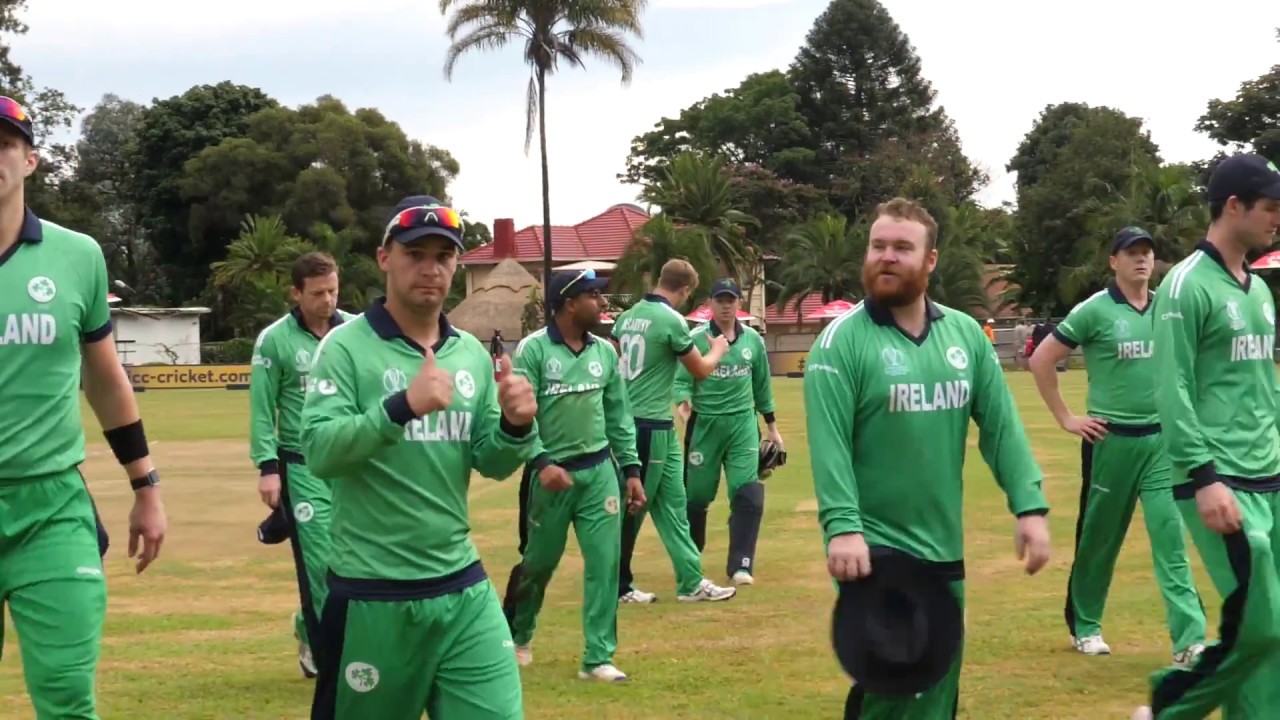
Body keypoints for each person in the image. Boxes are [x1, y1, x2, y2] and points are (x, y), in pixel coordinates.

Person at [805, 197, 1051, 719]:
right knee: (897, 680)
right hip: (874, 548)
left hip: (943, 545)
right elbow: (830, 446)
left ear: (930, 260)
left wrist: (1029, 505)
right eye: (877, 246)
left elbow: (1001, 428)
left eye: (902, 247)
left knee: (938, 677)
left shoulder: (965, 335)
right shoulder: (840, 343)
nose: (886, 256)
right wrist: (843, 527)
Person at [301, 196, 540, 719]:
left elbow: (491, 460)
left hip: (461, 585)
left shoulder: (469, 354)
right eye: (415, 254)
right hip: (373, 593)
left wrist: (515, 425)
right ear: (384, 257)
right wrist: (401, 407)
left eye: (443, 256)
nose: (431, 269)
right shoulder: (345, 348)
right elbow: (319, 451)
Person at [0, 95, 168, 719]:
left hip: (51, 509)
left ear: (30, 160)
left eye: (4, 145)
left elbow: (103, 378)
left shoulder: (77, 256)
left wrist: (145, 486)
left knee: (68, 697)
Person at [1132, 154, 1280, 720]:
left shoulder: (1259, 290)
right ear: (1234, 206)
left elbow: (1260, 385)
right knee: (1260, 626)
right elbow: (1171, 390)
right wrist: (1204, 477)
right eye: (1271, 208)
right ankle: (1166, 709)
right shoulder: (1185, 285)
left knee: (1271, 632)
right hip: (1219, 480)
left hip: (1268, 474)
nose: (1278, 220)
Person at [1030, 227, 1207, 665]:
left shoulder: (1168, 307)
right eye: (1131, 253)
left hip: (1161, 442)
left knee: (1171, 540)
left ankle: (1189, 640)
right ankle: (1086, 626)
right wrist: (1067, 418)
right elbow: (1041, 358)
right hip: (1110, 442)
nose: (1141, 260)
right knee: (1099, 540)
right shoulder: (1095, 310)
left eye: (1147, 253)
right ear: (1114, 262)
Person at [504, 269, 647, 681]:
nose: (602, 303)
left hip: (599, 472)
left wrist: (631, 470)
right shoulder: (533, 350)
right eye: (593, 296)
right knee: (538, 564)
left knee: (604, 563)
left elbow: (619, 415)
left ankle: (598, 657)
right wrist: (541, 462)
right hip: (550, 476)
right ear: (569, 304)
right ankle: (519, 634)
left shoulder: (605, 353)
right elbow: (520, 417)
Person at [249, 251, 357, 678]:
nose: (328, 300)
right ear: (296, 293)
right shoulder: (274, 340)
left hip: (350, 462)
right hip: (302, 465)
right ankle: (324, 651)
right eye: (317, 293)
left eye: (333, 290)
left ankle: (305, 624)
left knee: (355, 558)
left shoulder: (356, 332)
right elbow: (262, 409)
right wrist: (267, 467)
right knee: (320, 562)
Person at [612, 259, 737, 604]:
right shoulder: (671, 320)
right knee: (634, 508)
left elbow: (618, 357)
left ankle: (690, 580)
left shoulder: (627, 316)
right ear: (685, 290)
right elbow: (700, 370)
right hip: (646, 425)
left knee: (674, 505)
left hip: (654, 424)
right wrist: (718, 349)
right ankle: (618, 586)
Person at [674, 278, 781, 586]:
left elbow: (762, 386)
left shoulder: (752, 341)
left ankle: (741, 564)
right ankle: (691, 559)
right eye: (719, 300)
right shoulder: (695, 339)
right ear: (710, 303)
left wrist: (772, 428)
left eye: (730, 300)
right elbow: (681, 380)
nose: (725, 306)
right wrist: (684, 404)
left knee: (747, 491)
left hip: (742, 424)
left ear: (738, 304)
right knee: (696, 496)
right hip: (705, 425)